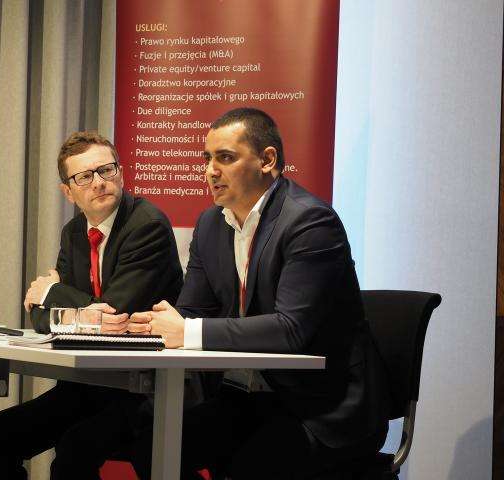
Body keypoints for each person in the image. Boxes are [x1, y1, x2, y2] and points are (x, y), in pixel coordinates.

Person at [128, 108, 391, 479]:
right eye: (207, 159)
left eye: (225, 158)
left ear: (267, 160)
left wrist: (185, 331)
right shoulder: (211, 223)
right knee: (153, 448)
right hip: (248, 398)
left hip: (322, 407)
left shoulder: (310, 222)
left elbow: (290, 330)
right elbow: (192, 311)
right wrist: (150, 327)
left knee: (249, 465)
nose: (210, 171)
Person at [0, 131, 183, 479]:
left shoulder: (148, 225)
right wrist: (63, 305)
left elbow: (113, 313)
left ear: (121, 173)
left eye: (106, 170)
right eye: (84, 176)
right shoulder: (73, 232)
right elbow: (40, 317)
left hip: (145, 388)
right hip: (87, 383)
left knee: (74, 449)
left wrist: (52, 292)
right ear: (68, 192)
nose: (98, 182)